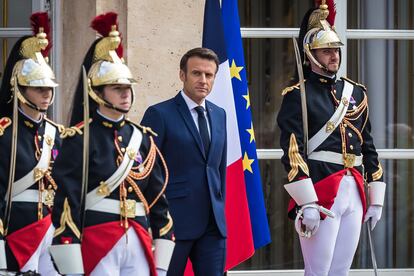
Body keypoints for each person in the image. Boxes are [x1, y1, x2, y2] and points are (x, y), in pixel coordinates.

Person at [49, 12, 174, 275]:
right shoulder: (79, 139)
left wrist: (162, 258)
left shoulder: (142, 138)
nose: (125, 94)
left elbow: (158, 201)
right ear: (97, 92)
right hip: (97, 239)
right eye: (117, 88)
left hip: (139, 237)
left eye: (127, 87)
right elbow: (67, 202)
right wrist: (71, 258)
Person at [277, 2, 386, 276]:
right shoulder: (297, 95)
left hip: (355, 191)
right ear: (311, 55)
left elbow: (368, 145)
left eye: (335, 50)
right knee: (318, 271)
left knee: (341, 270)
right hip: (321, 190)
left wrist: (376, 196)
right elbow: (292, 151)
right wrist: (307, 201)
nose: (334, 56)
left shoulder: (356, 92)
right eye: (326, 51)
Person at [142, 47, 227, 276]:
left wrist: (221, 210)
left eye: (209, 75)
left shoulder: (220, 114)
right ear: (182, 75)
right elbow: (147, 172)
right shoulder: (159, 114)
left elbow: (218, 170)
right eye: (196, 73)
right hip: (172, 223)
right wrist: (152, 222)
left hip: (213, 226)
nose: (203, 80)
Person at [0, 12, 62, 275]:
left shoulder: (57, 133)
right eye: (39, 89)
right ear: (20, 88)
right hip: (16, 227)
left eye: (49, 88)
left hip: (52, 225)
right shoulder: (4, 131)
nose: (47, 94)